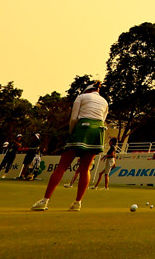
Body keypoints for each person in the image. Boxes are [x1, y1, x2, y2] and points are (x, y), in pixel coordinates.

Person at [32, 80, 108, 212]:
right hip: (98, 131)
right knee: (85, 169)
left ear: (87, 90)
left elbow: (73, 119)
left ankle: (45, 201)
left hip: (82, 128)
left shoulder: (81, 97)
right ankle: (78, 203)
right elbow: (102, 118)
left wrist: (72, 134)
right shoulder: (105, 102)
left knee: (62, 166)